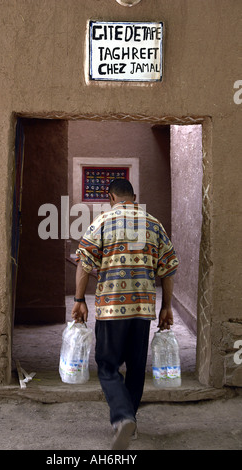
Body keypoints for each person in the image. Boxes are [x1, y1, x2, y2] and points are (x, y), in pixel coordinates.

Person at [72, 179, 179, 450]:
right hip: (143, 310)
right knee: (135, 367)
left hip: (110, 310)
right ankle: (130, 420)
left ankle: (122, 417)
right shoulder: (154, 224)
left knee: (107, 367)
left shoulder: (103, 222)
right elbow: (168, 268)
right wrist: (166, 306)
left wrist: (78, 300)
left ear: (110, 198)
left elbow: (84, 263)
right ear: (134, 197)